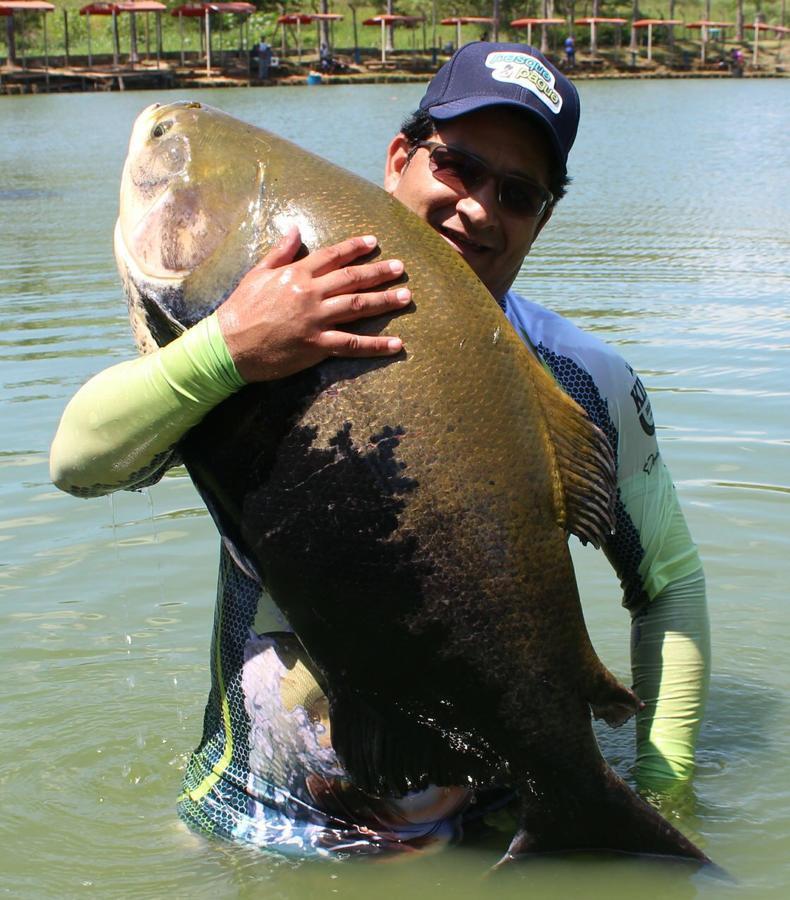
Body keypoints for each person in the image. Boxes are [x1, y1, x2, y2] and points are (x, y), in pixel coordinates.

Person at [50, 42, 710, 858]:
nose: (477, 208)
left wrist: (663, 783)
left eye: (517, 193)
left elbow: (670, 582)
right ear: (399, 158)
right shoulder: (253, 323)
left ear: (544, 218)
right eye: (458, 166)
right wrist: (231, 348)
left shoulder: (587, 380)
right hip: (256, 826)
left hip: (487, 834)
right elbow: (77, 465)